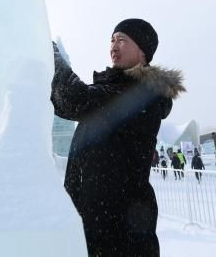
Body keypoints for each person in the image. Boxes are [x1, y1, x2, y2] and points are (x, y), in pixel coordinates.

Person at [51, 18, 185, 257]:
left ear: (142, 53)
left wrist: (52, 57)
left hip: (119, 231)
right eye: (112, 40)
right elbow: (66, 104)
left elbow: (76, 99)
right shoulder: (113, 92)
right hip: (95, 224)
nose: (114, 46)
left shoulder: (141, 95)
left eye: (122, 40)